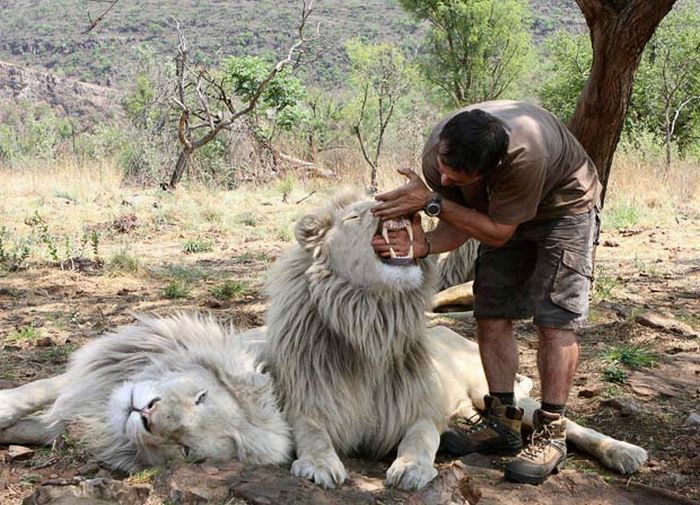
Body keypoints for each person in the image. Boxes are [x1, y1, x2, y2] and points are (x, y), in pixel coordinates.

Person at [371, 100, 601, 485]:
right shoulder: (440, 153)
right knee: (491, 311)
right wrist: (421, 245)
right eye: (442, 172)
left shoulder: (525, 158)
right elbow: (459, 222)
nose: (442, 181)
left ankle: (550, 432)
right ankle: (502, 423)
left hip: (564, 209)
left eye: (456, 179)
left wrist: (432, 202)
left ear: (491, 170)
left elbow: (496, 231)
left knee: (555, 318)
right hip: (500, 213)